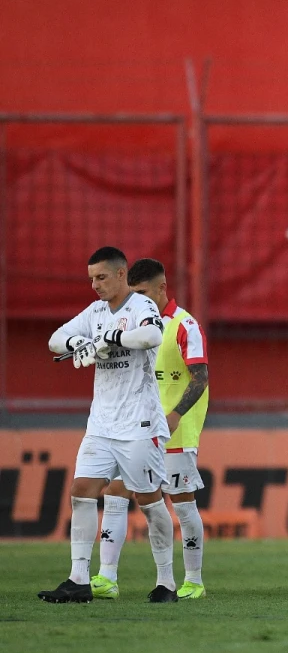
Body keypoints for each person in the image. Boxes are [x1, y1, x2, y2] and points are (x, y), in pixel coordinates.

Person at [40, 247, 174, 604]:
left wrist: (110, 339)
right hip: (101, 423)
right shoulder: (97, 311)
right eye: (91, 279)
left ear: (120, 275)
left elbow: (151, 338)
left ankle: (166, 582)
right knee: (81, 490)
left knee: (149, 502)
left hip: (138, 423)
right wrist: (79, 342)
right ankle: (79, 579)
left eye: (101, 277)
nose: (95, 285)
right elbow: (55, 338)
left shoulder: (141, 307)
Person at [91, 259, 212, 600]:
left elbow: (200, 377)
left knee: (183, 505)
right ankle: (107, 578)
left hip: (175, 430)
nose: (136, 300)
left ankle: (193, 580)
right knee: (115, 493)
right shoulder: (131, 323)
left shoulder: (185, 326)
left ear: (161, 289)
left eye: (142, 293)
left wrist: (174, 416)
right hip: (132, 427)